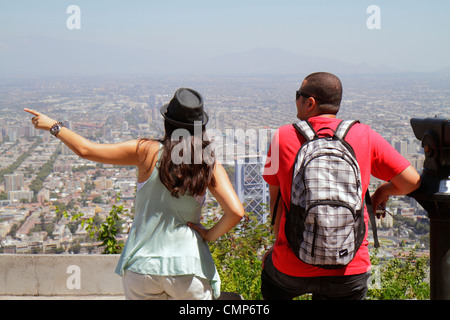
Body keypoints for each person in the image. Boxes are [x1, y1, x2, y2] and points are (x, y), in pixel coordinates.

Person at [25, 87, 244, 300]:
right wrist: (207, 235)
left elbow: (87, 150)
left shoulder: (146, 151)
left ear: (166, 123)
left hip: (142, 267)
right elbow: (235, 212)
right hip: (188, 268)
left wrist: (54, 126)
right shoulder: (207, 164)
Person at [261, 72, 421, 300]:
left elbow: (275, 201)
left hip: (291, 266)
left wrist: (278, 245)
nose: (296, 99)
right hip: (349, 268)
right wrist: (383, 191)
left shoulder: (282, 137)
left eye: (298, 95)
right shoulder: (364, 134)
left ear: (310, 102)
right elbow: (412, 181)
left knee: (271, 280)